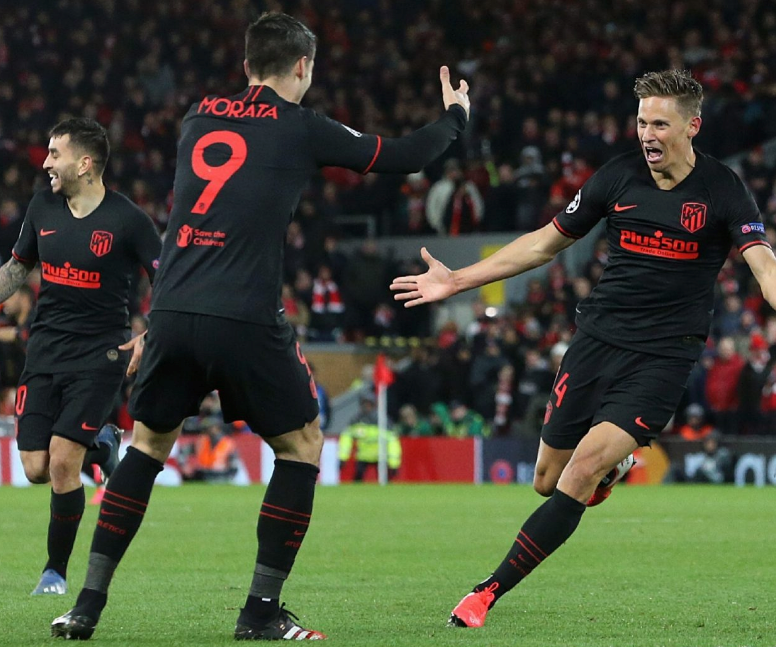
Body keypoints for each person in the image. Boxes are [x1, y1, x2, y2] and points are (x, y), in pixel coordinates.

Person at [52, 11, 469, 642]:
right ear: (303, 66)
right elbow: (405, 156)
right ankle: (260, 611)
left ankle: (86, 605)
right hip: (244, 314)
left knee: (147, 446)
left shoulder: (197, 117)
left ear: (247, 65)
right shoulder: (301, 125)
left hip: (171, 311)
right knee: (301, 446)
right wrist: (455, 117)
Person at [390, 69, 776, 628]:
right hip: (597, 342)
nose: (647, 134)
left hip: (664, 357)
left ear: (692, 127)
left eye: (660, 124)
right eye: (642, 122)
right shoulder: (618, 176)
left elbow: (763, 263)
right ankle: (614, 468)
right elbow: (543, 244)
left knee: (579, 473)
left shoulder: (723, 189)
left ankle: (485, 593)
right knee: (546, 481)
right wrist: (458, 280)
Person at [0, 118, 161, 597]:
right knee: (35, 468)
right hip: (45, 349)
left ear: (85, 164)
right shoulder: (42, 206)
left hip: (101, 352)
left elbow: (167, 279)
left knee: (62, 462)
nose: (45, 163)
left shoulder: (128, 220)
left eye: (54, 154)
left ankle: (55, 572)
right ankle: (102, 444)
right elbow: (18, 266)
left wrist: (151, 333)